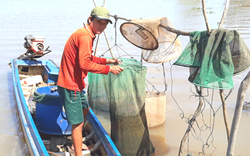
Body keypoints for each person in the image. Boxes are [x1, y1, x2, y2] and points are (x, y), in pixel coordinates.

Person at [57, 6, 124, 156]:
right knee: (78, 124)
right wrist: (109, 70)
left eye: (105, 23)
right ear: (90, 20)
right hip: (70, 85)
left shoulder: (86, 34)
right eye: (99, 22)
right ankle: (77, 150)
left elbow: (88, 58)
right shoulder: (85, 37)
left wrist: (108, 61)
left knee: (85, 110)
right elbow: (85, 64)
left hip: (77, 84)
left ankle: (78, 140)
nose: (102, 26)